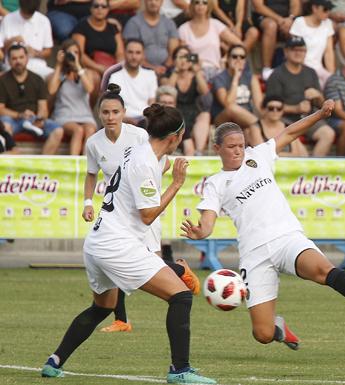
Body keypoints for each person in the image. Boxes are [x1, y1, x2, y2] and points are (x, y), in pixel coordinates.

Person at [181, 100, 345, 351]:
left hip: (286, 237)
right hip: (254, 255)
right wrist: (202, 231)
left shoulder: (258, 156)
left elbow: (290, 132)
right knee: (262, 334)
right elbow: (208, 221)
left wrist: (320, 114)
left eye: (241, 146)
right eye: (231, 147)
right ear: (217, 148)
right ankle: (280, 329)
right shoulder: (216, 182)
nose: (238, 151)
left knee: (322, 270)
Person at [41, 101, 217, 383]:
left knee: (103, 306)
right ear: (175, 137)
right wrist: (176, 184)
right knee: (181, 296)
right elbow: (147, 215)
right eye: (182, 135)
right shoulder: (144, 161)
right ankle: (180, 371)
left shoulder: (140, 151)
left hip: (98, 241)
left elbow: (147, 175)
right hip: (116, 244)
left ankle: (54, 361)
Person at [82, 83, 201, 333]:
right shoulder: (94, 143)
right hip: (123, 214)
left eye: (115, 111)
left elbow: (159, 164)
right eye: (105, 112)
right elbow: (91, 174)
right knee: (134, 265)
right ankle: (122, 319)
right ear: (99, 114)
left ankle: (179, 270)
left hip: (141, 210)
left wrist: (149, 184)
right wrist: (87, 202)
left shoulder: (139, 137)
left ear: (123, 112)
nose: (110, 117)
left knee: (151, 264)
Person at [265, 36, 335, 156]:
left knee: (328, 134)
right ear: (286, 52)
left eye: (301, 50)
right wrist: (296, 108)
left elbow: (320, 104)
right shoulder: (276, 75)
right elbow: (270, 107)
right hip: (286, 121)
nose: (298, 53)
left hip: (309, 117)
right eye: (294, 49)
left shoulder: (310, 72)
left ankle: (313, 170)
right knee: (300, 151)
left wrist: (318, 96)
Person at [0, 43, 64, 155]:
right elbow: (1, 109)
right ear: (9, 61)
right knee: (5, 126)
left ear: (27, 58)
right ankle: (10, 164)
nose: (18, 61)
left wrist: (39, 118)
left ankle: (43, 167)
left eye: (21, 57)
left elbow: (43, 108)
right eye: (14, 58)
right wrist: (19, 115)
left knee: (58, 130)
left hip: (33, 120)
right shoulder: (2, 80)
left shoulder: (37, 79)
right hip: (13, 119)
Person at [48, 39, 97, 156]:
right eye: (70, 53)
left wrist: (78, 67)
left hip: (85, 115)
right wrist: (59, 65)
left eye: (76, 52)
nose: (73, 55)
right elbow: (51, 90)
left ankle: (87, 166)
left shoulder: (86, 73)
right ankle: (74, 164)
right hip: (65, 115)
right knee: (78, 130)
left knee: (90, 130)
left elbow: (90, 89)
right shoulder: (59, 74)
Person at [160, 45, 211, 156]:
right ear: (174, 60)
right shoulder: (168, 74)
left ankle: (199, 152)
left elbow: (205, 93)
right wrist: (176, 71)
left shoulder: (196, 75)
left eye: (186, 57)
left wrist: (197, 72)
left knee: (205, 115)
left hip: (193, 111)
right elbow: (169, 92)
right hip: (175, 111)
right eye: (180, 57)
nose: (183, 60)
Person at [211, 44, 263, 146]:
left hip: (246, 119)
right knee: (233, 108)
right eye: (234, 56)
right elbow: (228, 104)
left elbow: (259, 104)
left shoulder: (250, 77)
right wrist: (236, 77)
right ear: (228, 59)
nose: (238, 59)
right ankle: (258, 127)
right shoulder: (220, 78)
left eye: (242, 57)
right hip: (223, 118)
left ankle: (260, 153)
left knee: (251, 129)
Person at [178, 0, 243, 81]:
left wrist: (226, 58)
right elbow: (181, 56)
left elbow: (239, 44)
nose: (200, 5)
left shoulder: (216, 25)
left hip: (215, 71)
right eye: (197, 2)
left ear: (208, 6)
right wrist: (196, 59)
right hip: (193, 73)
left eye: (204, 3)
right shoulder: (183, 29)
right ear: (192, 5)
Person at [102, 39, 159, 126]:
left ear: (143, 55)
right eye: (130, 52)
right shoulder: (113, 75)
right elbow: (110, 104)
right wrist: (124, 119)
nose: (134, 56)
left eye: (138, 53)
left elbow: (152, 102)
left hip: (144, 120)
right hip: (121, 120)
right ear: (124, 53)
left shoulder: (150, 74)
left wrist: (146, 119)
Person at [123, 0, 180, 76]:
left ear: (162, 2)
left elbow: (174, 52)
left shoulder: (169, 23)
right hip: (140, 70)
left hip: (167, 70)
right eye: (150, 0)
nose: (153, 2)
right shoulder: (134, 23)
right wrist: (152, 68)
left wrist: (165, 67)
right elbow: (131, 54)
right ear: (144, 2)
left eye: (157, 0)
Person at [0, 0, 54, 79]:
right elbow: (1, 53)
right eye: (24, 12)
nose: (26, 16)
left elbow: (48, 51)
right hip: (13, 66)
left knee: (55, 77)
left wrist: (35, 53)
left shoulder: (44, 21)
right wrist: (11, 41)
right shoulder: (8, 19)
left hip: (37, 66)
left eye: (30, 14)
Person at [71, 0, 125, 76]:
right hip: (89, 68)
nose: (100, 9)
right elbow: (79, 54)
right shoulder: (81, 27)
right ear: (91, 9)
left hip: (111, 66)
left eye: (104, 6)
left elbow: (120, 53)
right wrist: (100, 68)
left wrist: (117, 68)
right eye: (96, 6)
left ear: (108, 9)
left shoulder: (113, 28)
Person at [289, 0, 335, 86]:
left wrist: (331, 75)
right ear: (314, 8)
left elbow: (328, 52)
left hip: (319, 68)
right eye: (325, 9)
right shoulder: (299, 22)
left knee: (333, 84)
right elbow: (294, 50)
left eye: (329, 9)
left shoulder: (328, 24)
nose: (328, 12)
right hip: (301, 68)